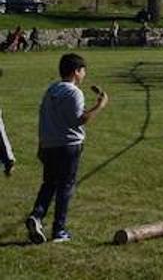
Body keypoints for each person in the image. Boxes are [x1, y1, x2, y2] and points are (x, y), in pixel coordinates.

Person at [27, 53, 110, 244]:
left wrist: (41, 144)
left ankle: (37, 215)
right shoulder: (74, 92)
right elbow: (79, 120)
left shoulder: (51, 89)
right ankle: (59, 230)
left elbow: (43, 118)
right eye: (83, 71)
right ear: (76, 72)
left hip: (49, 144)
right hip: (68, 146)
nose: (84, 75)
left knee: (49, 183)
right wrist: (100, 105)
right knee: (65, 186)